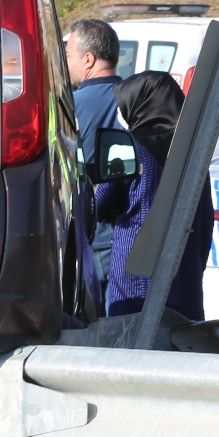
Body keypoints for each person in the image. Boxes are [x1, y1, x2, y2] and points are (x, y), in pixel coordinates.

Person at [94, 71, 213, 320]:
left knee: (134, 347)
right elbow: (206, 220)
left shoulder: (128, 146)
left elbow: (99, 205)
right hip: (185, 269)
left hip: (135, 269)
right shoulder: (196, 151)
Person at [65, 18, 124, 293]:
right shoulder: (136, 98)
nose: (65, 62)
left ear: (88, 59)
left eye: (67, 55)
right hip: (131, 231)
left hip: (98, 236)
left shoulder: (73, 108)